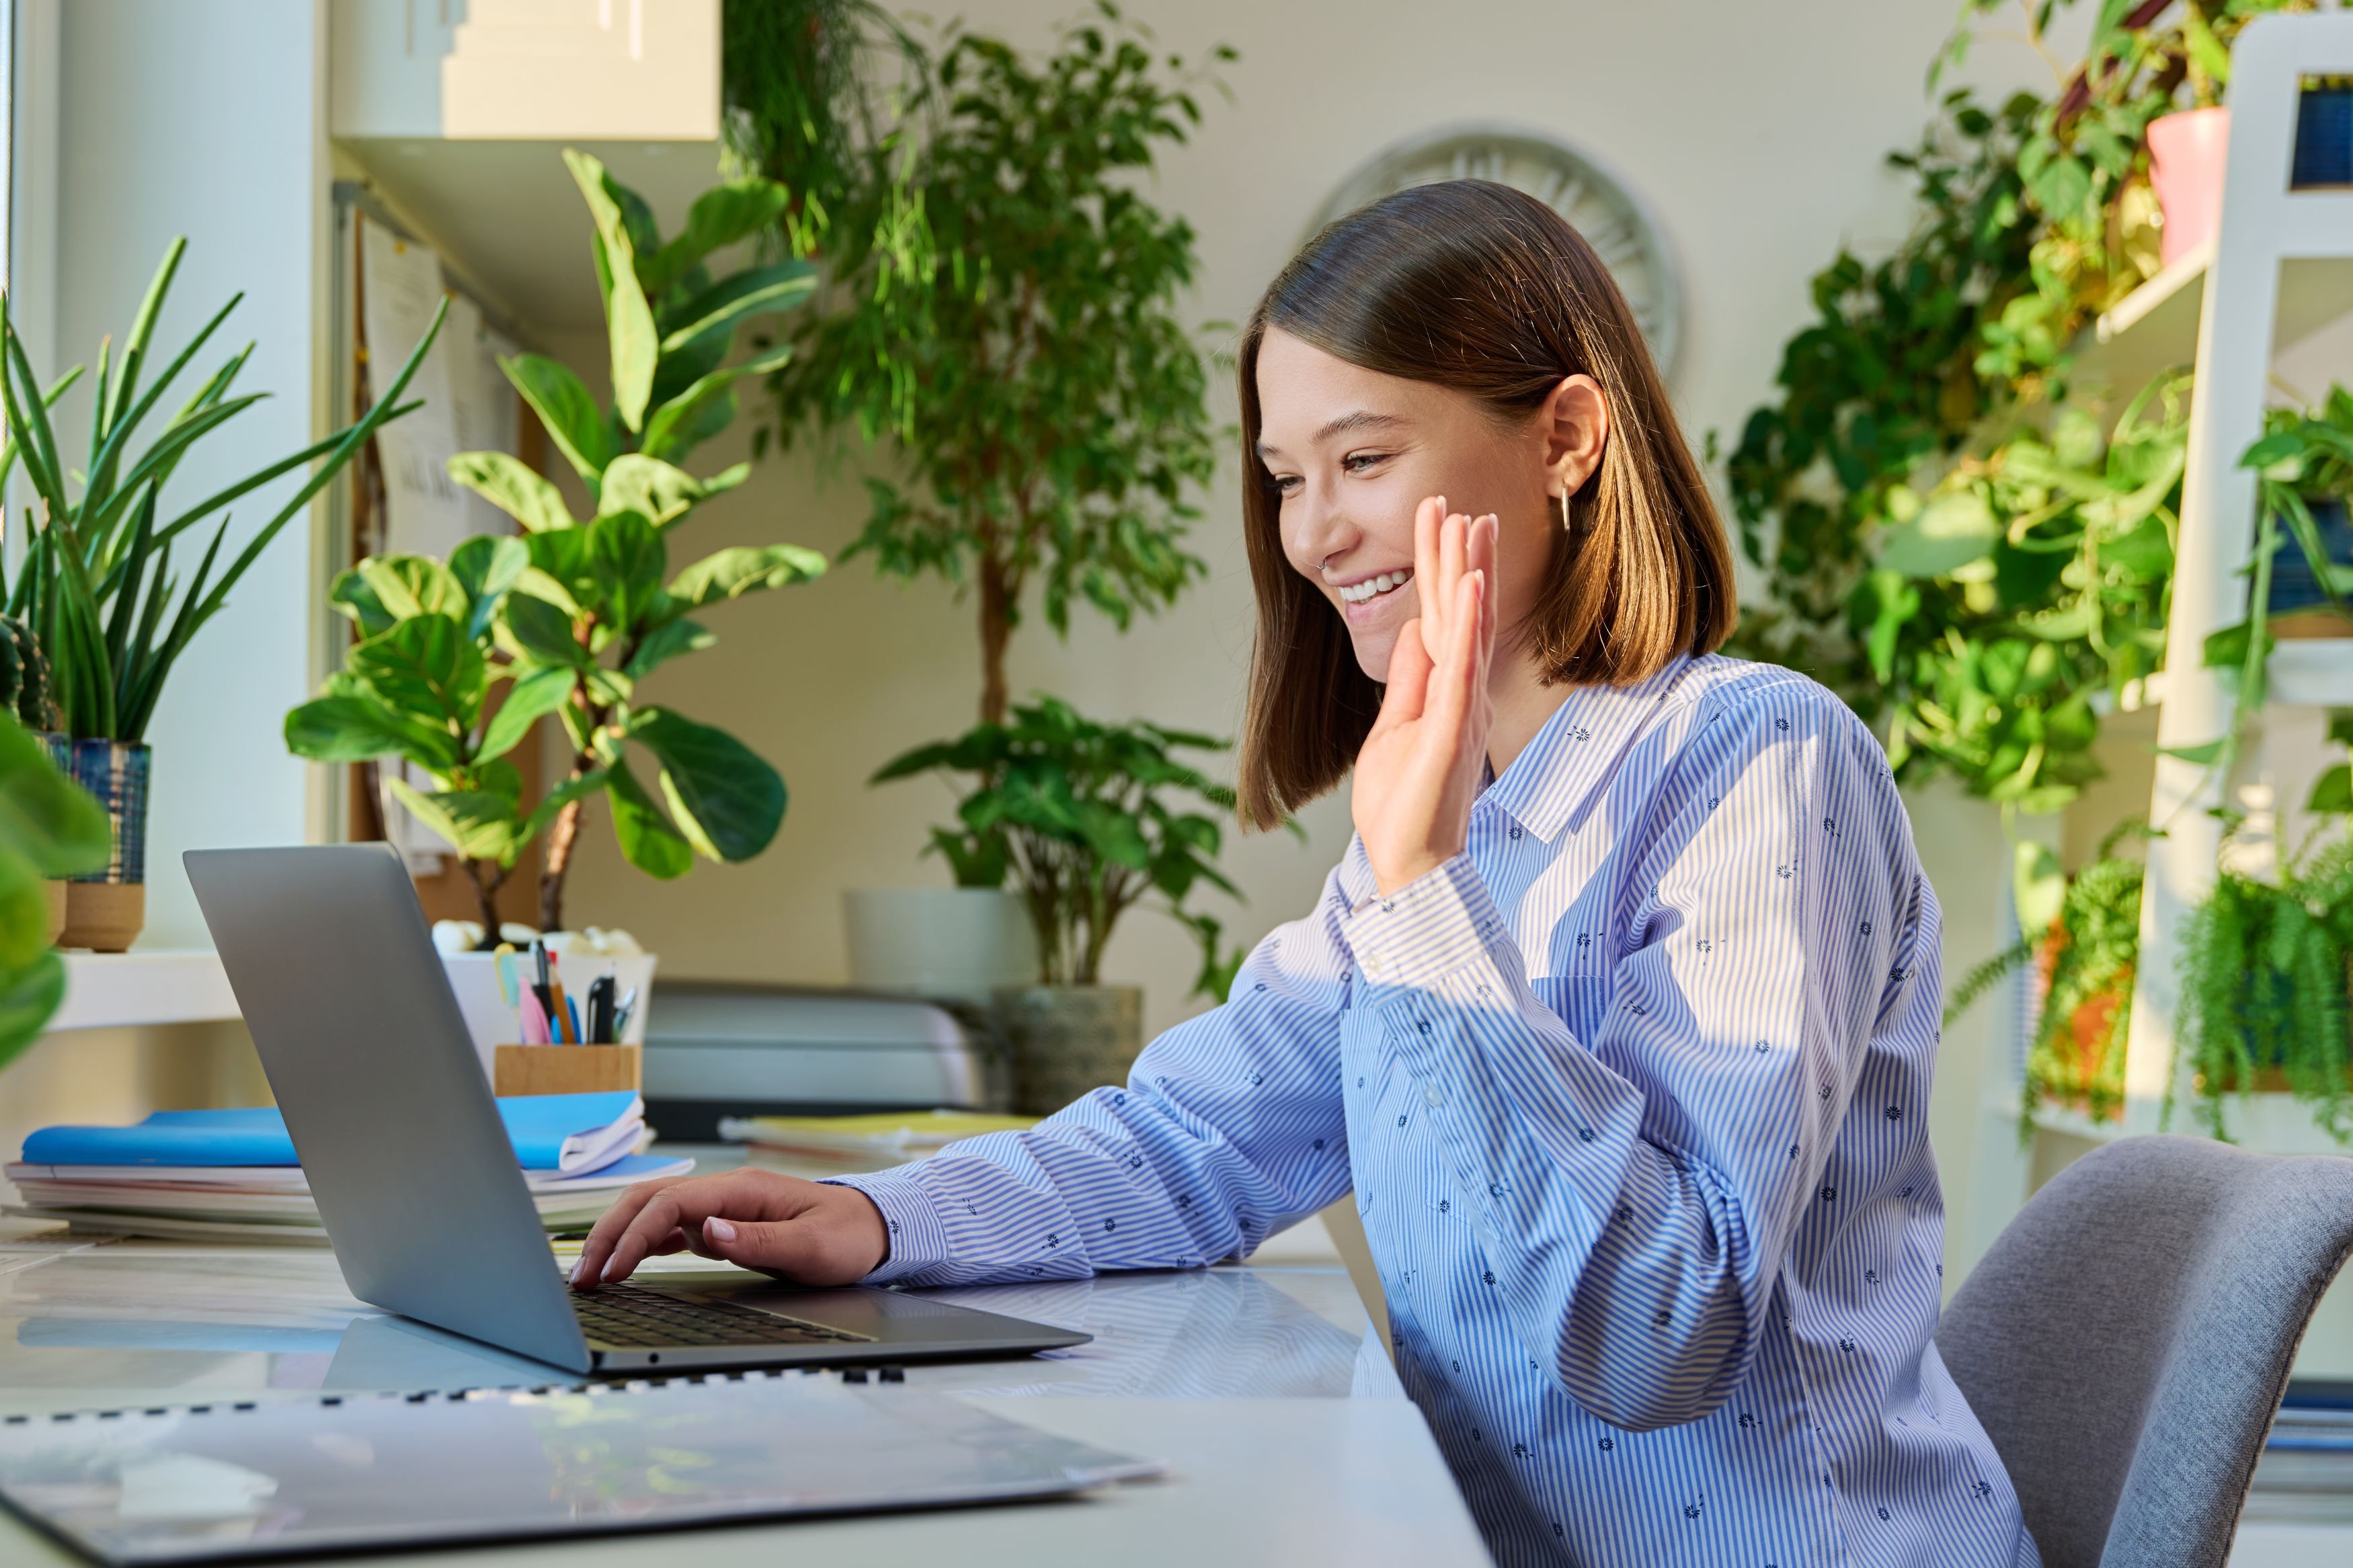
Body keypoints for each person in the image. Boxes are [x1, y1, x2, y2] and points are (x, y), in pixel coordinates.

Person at [571, 179, 2038, 1568]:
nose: (1316, 532)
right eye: (1285, 478)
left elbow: (1661, 1331)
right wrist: (882, 1220)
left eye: (1365, 458)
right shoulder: (1445, 823)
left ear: (1567, 438)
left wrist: (1419, 892)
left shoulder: (1755, 762)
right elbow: (1193, 1144)